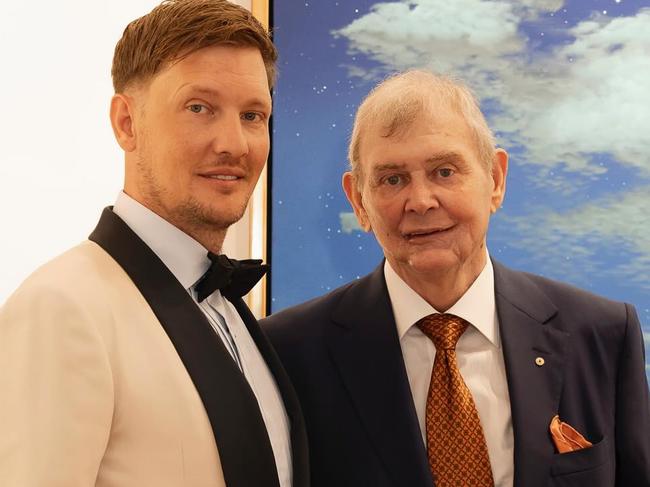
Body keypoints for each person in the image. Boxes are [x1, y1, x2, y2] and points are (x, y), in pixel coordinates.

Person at [262, 70, 650, 487]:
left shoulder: (601, 334)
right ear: (359, 201)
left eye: (444, 171)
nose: (422, 201)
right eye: (392, 179)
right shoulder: (288, 353)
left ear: (496, 180)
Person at [0, 1, 308, 486]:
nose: (235, 143)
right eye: (199, 108)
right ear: (127, 122)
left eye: (253, 115)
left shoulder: (233, 313)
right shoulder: (60, 307)